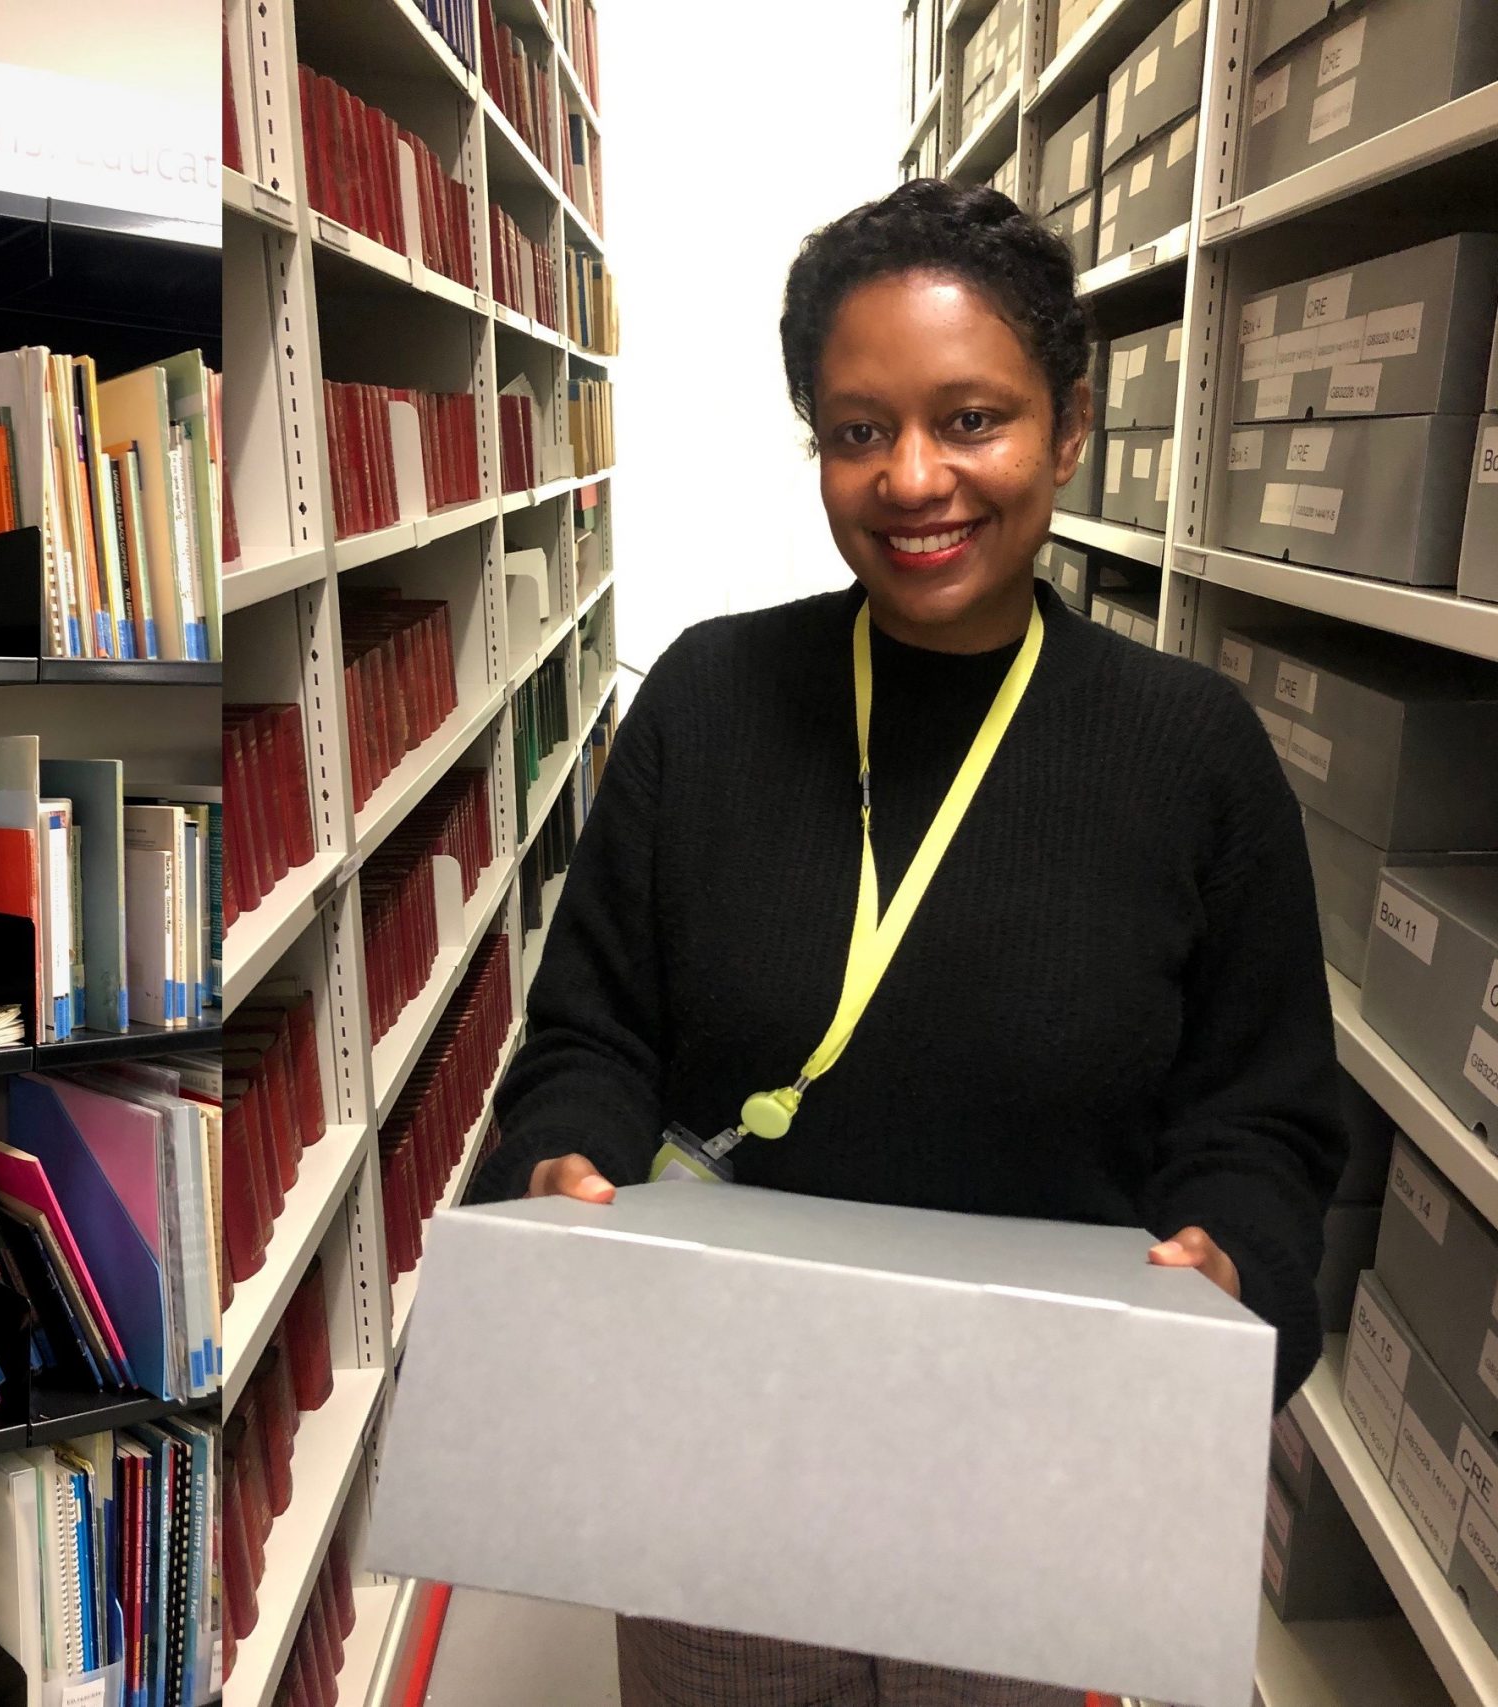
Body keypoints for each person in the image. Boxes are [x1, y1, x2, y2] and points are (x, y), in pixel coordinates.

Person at [468, 179, 1343, 1706]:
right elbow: (591, 1032)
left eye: (972, 417)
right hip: (718, 1461)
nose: (914, 477)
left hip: (1040, 1474)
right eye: (859, 429)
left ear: (1070, 424)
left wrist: (1228, 1258)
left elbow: (1259, 1112)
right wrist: (562, 1158)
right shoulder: (707, 701)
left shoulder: (1190, 752)